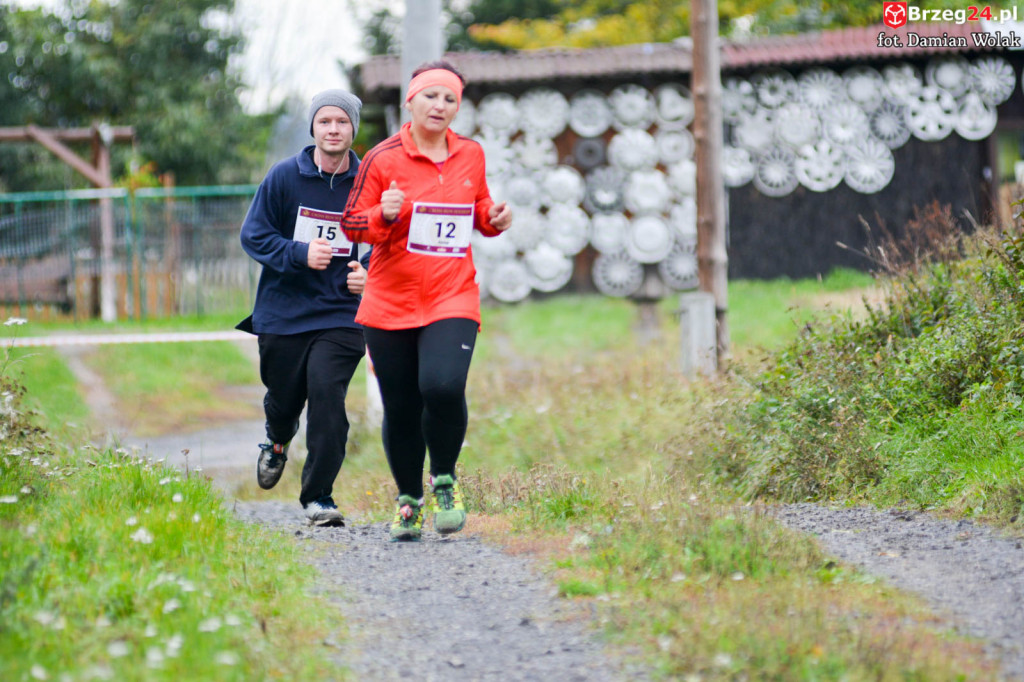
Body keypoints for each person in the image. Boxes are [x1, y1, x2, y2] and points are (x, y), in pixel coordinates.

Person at [342, 61, 512, 542]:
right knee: (400, 405)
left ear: (458, 106)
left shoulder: (471, 155)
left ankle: (444, 481)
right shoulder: (381, 158)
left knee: (441, 387)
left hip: (451, 293)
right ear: (410, 102)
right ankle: (408, 500)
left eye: (449, 99)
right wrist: (383, 214)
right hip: (389, 298)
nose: (440, 106)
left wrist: (493, 218)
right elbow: (352, 224)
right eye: (431, 97)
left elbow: (478, 211)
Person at [237, 89, 369, 527]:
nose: (334, 129)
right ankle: (277, 440)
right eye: (325, 121)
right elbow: (253, 235)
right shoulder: (283, 177)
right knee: (284, 398)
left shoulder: (369, 181)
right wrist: (297, 253)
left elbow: (389, 240)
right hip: (284, 311)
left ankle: (319, 497)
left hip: (341, 311)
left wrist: (369, 272)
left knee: (328, 399)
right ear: (313, 128)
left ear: (353, 128)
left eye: (342, 122)